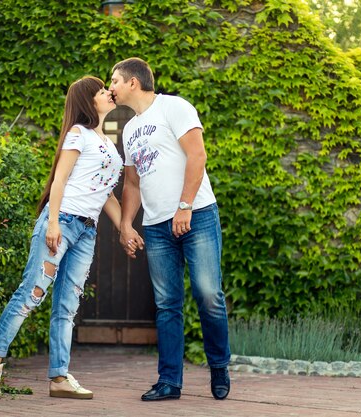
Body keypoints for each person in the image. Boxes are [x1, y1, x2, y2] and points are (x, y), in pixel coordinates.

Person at [0, 76, 123, 400]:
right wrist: (53, 222)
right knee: (32, 293)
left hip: (87, 230)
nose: (109, 92)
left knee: (67, 306)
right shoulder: (78, 134)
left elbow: (106, 193)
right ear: (88, 101)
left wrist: (126, 226)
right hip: (63, 221)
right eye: (101, 90)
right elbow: (60, 180)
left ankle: (58, 377)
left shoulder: (107, 142)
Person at [109, 57, 231, 401]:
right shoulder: (130, 128)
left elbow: (198, 155)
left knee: (209, 295)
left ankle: (219, 366)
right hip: (157, 226)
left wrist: (184, 206)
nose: (111, 87)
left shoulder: (174, 107)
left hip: (197, 215)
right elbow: (132, 183)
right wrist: (126, 225)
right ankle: (169, 382)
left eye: (115, 80)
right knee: (166, 305)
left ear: (133, 82)